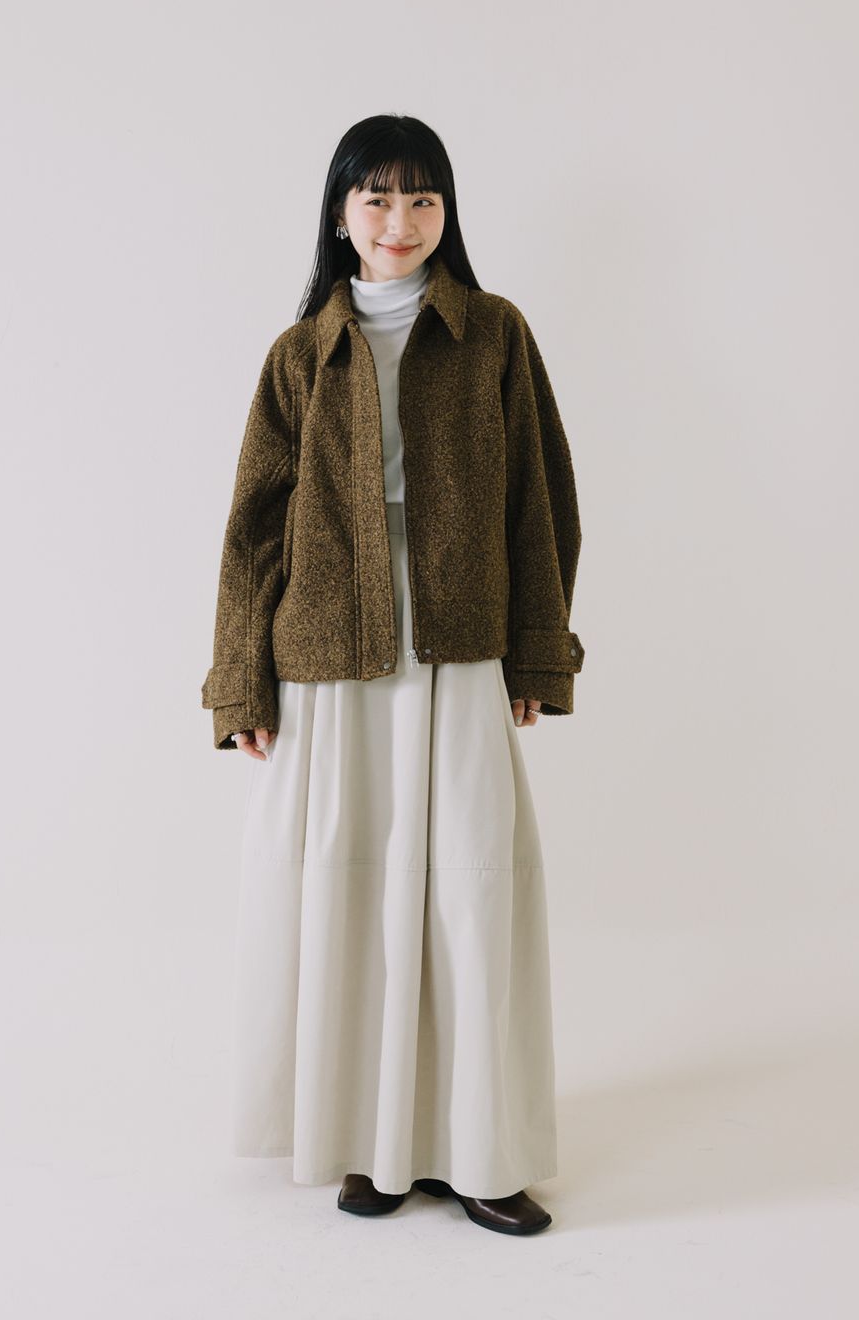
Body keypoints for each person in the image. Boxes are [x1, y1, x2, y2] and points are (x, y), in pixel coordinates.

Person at [201, 113, 585, 1237]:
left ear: (447, 211)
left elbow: (541, 502)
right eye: (376, 197)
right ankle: (371, 1144)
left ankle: (480, 1153)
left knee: (469, 890)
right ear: (339, 214)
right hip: (333, 652)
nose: (400, 220)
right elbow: (253, 530)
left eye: (422, 198)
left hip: (459, 639)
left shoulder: (494, 333)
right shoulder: (300, 353)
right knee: (353, 896)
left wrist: (536, 651)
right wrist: (241, 683)